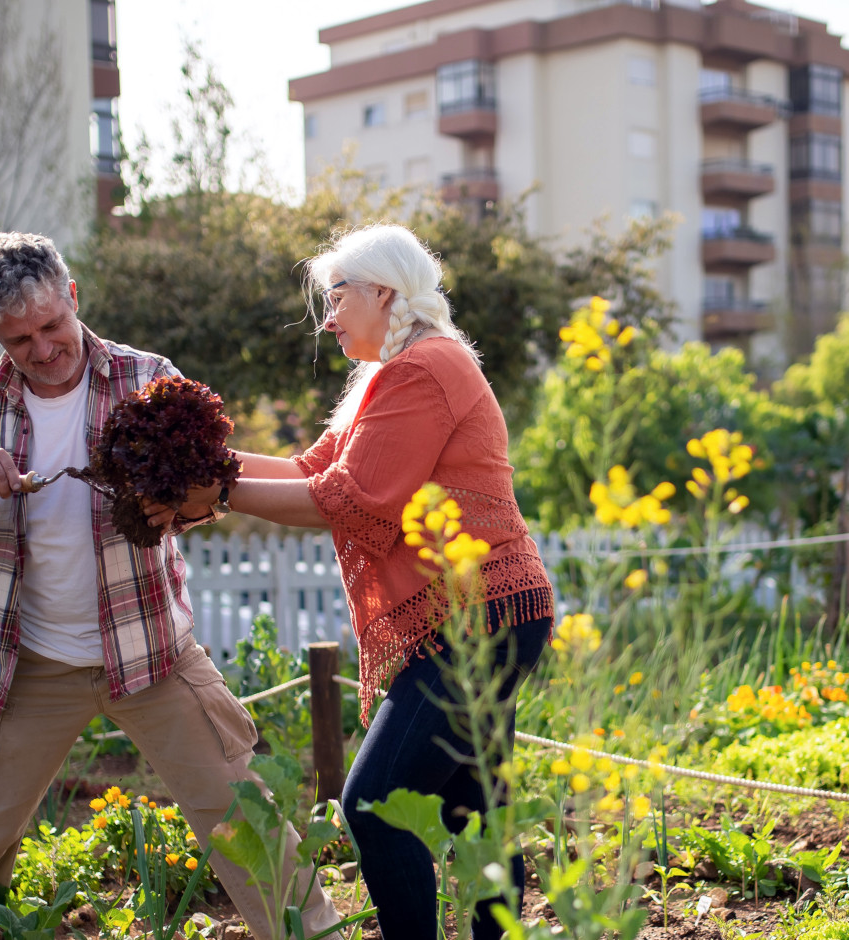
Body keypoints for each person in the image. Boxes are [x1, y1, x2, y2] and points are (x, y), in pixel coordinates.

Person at [0, 232, 336, 939]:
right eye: (20, 340)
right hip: (30, 666)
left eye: (51, 326)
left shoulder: (149, 378)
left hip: (152, 655)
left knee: (244, 820)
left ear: (72, 297)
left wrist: (177, 494)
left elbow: (206, 500)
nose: (42, 349)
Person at [160, 224, 553, 940]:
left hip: (478, 616)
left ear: (383, 292)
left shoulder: (423, 368)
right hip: (490, 610)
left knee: (373, 803)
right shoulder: (393, 373)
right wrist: (203, 456)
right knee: (475, 806)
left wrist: (212, 487)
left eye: (337, 297)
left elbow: (351, 500)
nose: (329, 318)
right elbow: (313, 472)